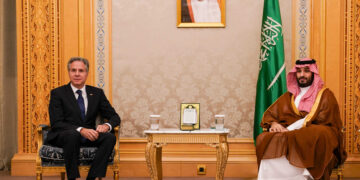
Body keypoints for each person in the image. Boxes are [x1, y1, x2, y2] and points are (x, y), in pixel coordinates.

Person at [256, 58, 347, 180]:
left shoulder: (325, 95)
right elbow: (271, 114)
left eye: (306, 71)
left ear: (313, 73)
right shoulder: (290, 96)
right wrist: (274, 123)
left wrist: (291, 129)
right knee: (264, 137)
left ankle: (307, 174)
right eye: (298, 71)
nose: (302, 75)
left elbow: (326, 119)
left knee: (318, 132)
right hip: (291, 135)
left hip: (313, 134)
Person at [45, 57, 121, 180]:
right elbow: (56, 123)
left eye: (81, 71)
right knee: (72, 135)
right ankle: (72, 177)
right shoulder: (58, 93)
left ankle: (91, 177)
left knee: (110, 138)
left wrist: (107, 126)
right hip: (64, 135)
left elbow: (114, 116)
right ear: (68, 72)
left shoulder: (97, 93)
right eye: (73, 70)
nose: (77, 74)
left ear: (87, 73)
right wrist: (80, 129)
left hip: (89, 135)